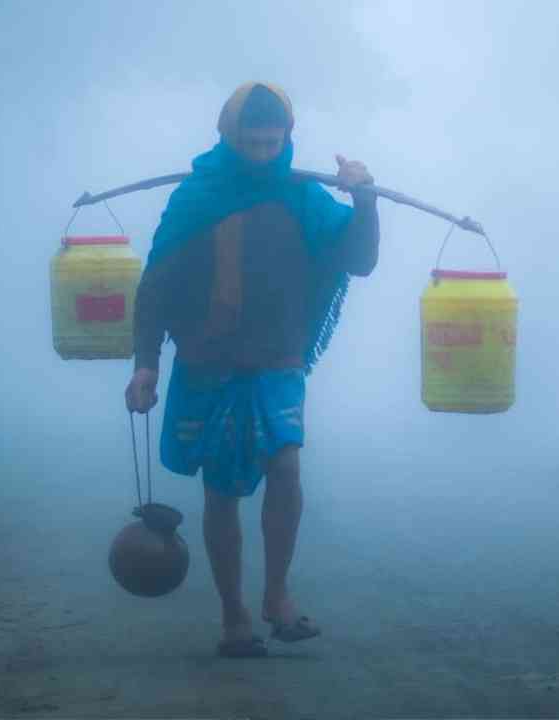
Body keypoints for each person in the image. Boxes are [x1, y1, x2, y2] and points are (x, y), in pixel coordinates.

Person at [124, 82, 380, 658]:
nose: (264, 153)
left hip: (278, 360)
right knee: (222, 489)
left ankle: (277, 598)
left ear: (287, 137)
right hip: (208, 361)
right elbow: (156, 289)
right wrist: (146, 366)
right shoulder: (196, 198)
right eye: (252, 143)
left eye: (273, 142)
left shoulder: (303, 198)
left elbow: (358, 259)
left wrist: (364, 199)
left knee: (285, 466)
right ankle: (234, 615)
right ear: (228, 137)